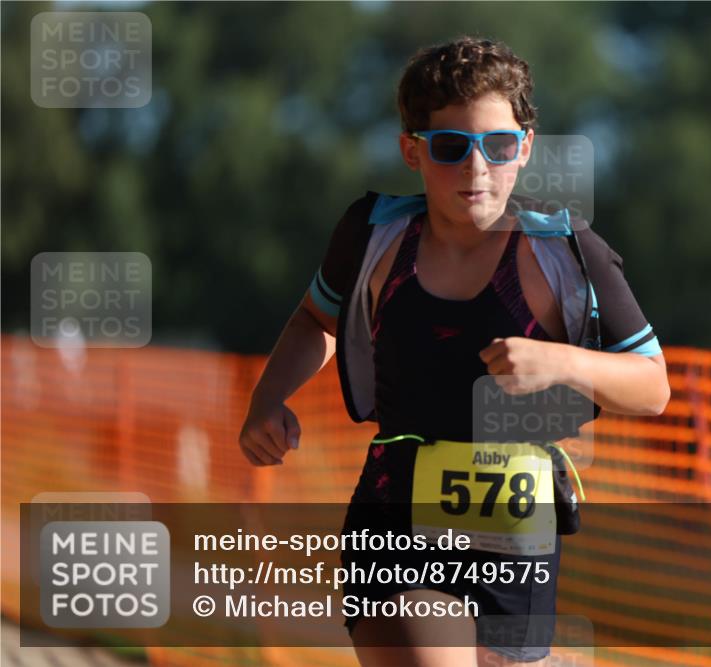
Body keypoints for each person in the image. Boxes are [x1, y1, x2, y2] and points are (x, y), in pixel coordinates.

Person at [239, 35, 670, 667]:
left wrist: (561, 363)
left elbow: (653, 386)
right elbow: (315, 319)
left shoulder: (566, 252)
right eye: (450, 147)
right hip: (393, 518)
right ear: (411, 150)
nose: (476, 168)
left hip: (515, 541)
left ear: (525, 147)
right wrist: (269, 397)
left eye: (498, 146)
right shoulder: (373, 236)